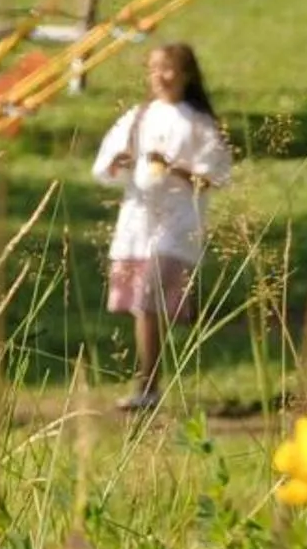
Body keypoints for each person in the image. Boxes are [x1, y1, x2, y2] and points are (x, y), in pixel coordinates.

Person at [92, 42, 232, 412]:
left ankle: (147, 385)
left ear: (186, 74)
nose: (161, 76)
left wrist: (174, 168)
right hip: (138, 222)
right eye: (155, 68)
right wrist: (118, 164)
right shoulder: (138, 117)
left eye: (168, 69)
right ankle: (153, 375)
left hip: (178, 223)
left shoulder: (200, 124)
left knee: (150, 300)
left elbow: (215, 176)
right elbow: (104, 165)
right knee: (143, 306)